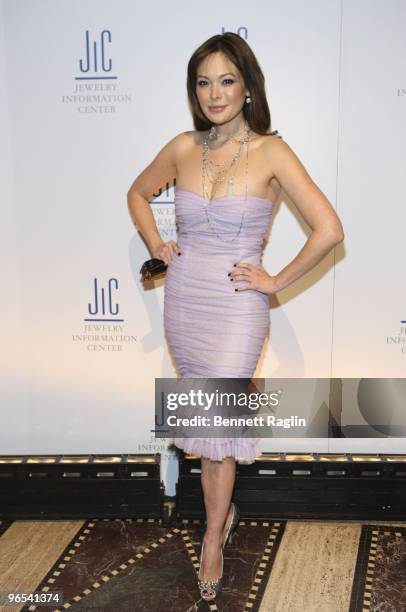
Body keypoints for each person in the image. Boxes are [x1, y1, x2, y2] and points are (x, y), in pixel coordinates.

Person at [127, 32, 344, 602]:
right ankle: (218, 519)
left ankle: (213, 538)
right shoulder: (181, 146)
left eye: (226, 80)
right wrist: (158, 245)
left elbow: (329, 230)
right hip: (185, 304)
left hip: (237, 309)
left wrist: (273, 282)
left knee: (221, 431)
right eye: (203, 82)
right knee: (206, 429)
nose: (214, 93)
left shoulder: (272, 150)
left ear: (247, 85)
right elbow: (137, 193)